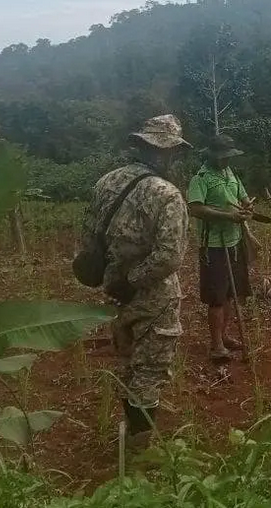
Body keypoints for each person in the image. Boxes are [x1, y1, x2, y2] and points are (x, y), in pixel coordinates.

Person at [77, 114, 191, 449]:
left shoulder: (106, 183)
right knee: (151, 369)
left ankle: (133, 430)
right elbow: (170, 256)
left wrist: (117, 280)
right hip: (154, 295)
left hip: (114, 292)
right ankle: (141, 447)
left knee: (127, 362)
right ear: (168, 153)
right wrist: (135, 279)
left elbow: (88, 241)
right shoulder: (167, 194)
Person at [186, 134, 254, 363]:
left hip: (235, 241)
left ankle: (225, 336)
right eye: (222, 156)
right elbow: (195, 208)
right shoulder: (201, 178)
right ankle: (216, 346)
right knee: (216, 297)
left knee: (233, 294)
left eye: (228, 156)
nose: (226, 160)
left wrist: (246, 207)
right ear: (212, 155)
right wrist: (228, 216)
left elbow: (243, 197)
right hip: (214, 245)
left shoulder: (230, 173)